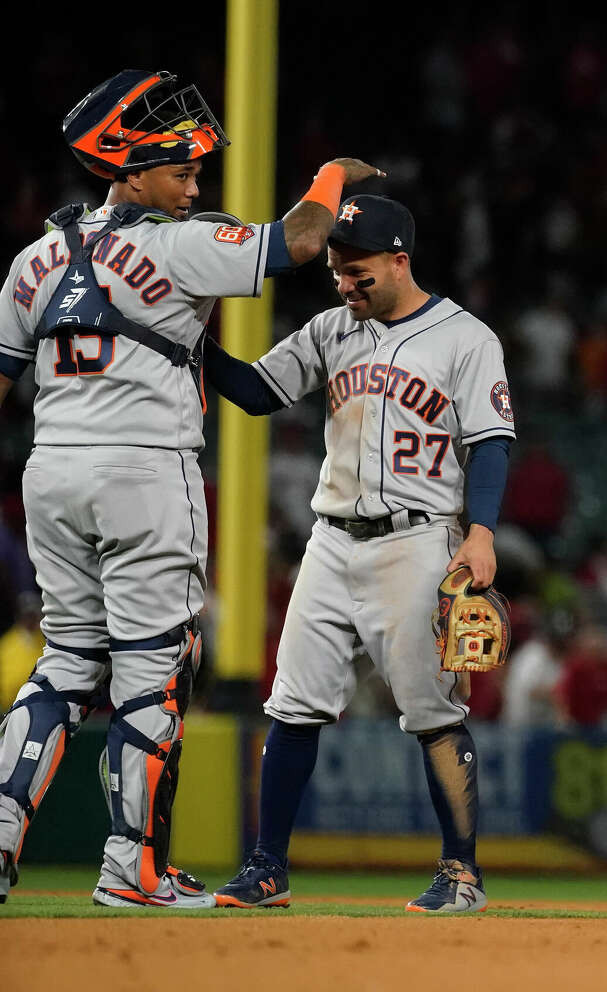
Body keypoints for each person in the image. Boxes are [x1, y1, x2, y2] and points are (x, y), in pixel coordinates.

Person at [0, 68, 380, 908]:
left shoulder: (33, 258)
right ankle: (130, 865)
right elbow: (301, 242)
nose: (194, 186)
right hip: (143, 471)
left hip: (51, 469)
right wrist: (333, 175)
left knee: (64, 662)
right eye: (181, 171)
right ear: (128, 170)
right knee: (154, 667)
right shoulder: (179, 244)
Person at [201, 194, 515, 913]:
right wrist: (192, 342)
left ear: (400, 260)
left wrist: (483, 531)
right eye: (338, 272)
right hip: (332, 536)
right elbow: (254, 391)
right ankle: (267, 867)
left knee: (432, 711)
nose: (345, 284)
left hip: (417, 538)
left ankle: (461, 874)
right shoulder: (332, 330)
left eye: (359, 272)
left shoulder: (465, 339)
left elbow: (491, 442)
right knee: (293, 703)